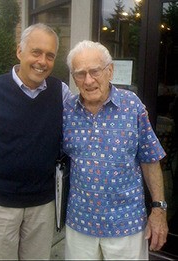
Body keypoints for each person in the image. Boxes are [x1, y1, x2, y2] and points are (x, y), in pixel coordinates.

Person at [0, 23, 72, 260]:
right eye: (36, 52)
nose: (42, 61)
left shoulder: (61, 92)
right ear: (20, 52)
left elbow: (74, 134)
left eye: (50, 56)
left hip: (42, 206)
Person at [62, 40, 168, 260]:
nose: (88, 80)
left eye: (95, 71)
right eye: (80, 74)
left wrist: (158, 210)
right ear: (73, 78)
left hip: (126, 225)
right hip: (80, 224)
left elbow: (150, 160)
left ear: (110, 71)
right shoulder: (67, 111)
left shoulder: (132, 106)